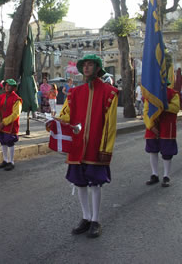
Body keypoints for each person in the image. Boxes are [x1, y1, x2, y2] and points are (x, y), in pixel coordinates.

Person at [51, 54, 118, 238]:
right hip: (77, 145)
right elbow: (65, 115)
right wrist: (54, 121)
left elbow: (110, 125)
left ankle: (96, 220)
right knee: (79, 183)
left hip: (97, 145)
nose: (86, 68)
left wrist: (107, 148)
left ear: (97, 68)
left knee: (95, 183)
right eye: (84, 65)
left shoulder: (110, 92)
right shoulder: (74, 93)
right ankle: (86, 217)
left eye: (90, 64)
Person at [144, 81, 180, 187]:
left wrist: (162, 105)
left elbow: (176, 108)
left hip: (166, 126)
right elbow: (146, 111)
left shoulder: (173, 94)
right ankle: (154, 174)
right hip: (153, 126)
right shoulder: (149, 94)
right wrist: (151, 126)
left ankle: (166, 176)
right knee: (152, 151)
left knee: (167, 152)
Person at [0, 79, 22, 171]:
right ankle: (5, 160)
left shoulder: (17, 99)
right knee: (2, 140)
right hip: (0, 122)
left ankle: (11, 161)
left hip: (10, 124)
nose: (7, 86)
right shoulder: (2, 96)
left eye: (9, 85)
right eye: (6, 85)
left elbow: (16, 114)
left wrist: (5, 122)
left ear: (14, 88)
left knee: (9, 141)